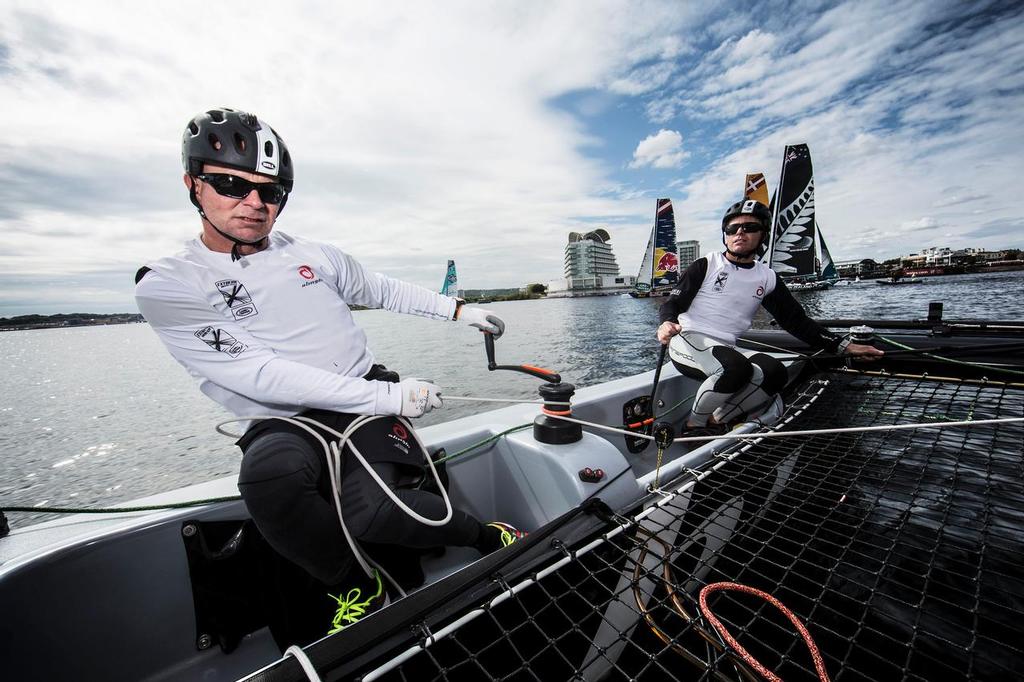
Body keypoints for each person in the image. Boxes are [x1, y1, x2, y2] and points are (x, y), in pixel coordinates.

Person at [135, 108, 523, 645]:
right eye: (230, 185)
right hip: (282, 417)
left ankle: (483, 535)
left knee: (384, 511)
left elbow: (383, 289)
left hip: (360, 393)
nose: (253, 204)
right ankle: (354, 585)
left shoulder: (314, 256)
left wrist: (456, 311)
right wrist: (389, 396)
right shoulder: (168, 284)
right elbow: (264, 376)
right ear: (192, 184)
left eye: (271, 193)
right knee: (268, 482)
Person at [656, 199, 883, 435]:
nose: (739, 233)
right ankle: (694, 426)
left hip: (724, 347)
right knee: (736, 368)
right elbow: (673, 302)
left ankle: (718, 420)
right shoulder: (707, 264)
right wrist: (666, 323)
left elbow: (796, 321)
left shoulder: (767, 277)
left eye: (750, 228)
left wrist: (844, 347)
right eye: (732, 229)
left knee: (774, 371)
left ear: (763, 234)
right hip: (688, 339)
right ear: (725, 235)